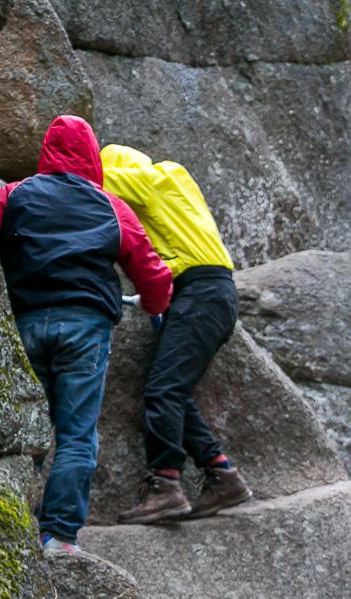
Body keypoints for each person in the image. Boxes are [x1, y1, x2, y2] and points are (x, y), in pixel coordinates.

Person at [0, 116, 172, 555]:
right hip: (85, 329)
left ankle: (13, 526)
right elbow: (152, 271)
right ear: (92, 154)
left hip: (26, 323)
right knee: (76, 435)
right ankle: (57, 536)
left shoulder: (12, 195)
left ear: (47, 150)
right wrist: (154, 304)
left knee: (25, 430)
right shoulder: (111, 206)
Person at [100, 144, 252, 523]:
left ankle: (165, 485)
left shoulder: (150, 181)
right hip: (209, 293)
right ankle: (222, 475)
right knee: (173, 390)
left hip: (199, 294)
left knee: (163, 391)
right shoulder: (177, 186)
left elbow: (85, 181)